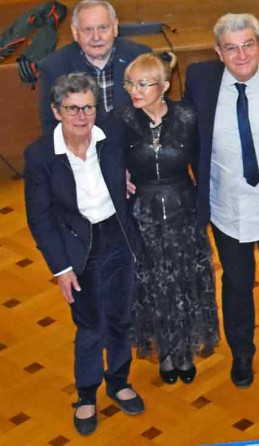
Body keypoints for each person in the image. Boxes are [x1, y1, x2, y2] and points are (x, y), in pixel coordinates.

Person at [184, 13, 259, 387]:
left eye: (248, 45)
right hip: (226, 205)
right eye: (231, 48)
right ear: (218, 51)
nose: (241, 55)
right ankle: (241, 352)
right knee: (237, 281)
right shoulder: (201, 82)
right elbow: (186, 137)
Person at [25, 73, 146, 435]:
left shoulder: (111, 137)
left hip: (118, 236)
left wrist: (127, 177)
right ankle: (87, 394)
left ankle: (119, 380)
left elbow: (138, 162)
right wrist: (61, 268)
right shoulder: (40, 155)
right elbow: (40, 217)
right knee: (91, 323)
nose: (81, 116)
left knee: (122, 315)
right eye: (72, 108)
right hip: (78, 246)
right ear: (56, 110)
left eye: (88, 107)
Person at [112, 54, 219, 385]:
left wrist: (206, 210)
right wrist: (121, 174)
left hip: (182, 211)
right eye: (130, 82)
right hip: (142, 215)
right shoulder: (121, 119)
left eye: (144, 83)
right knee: (154, 286)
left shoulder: (187, 116)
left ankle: (185, 350)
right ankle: (167, 352)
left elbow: (202, 163)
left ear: (165, 86)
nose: (135, 90)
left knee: (184, 281)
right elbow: (106, 159)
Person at [37, 0, 152, 129]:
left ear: (115, 27)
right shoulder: (55, 66)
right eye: (88, 30)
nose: (96, 37)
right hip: (82, 144)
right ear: (75, 32)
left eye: (103, 28)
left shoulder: (140, 57)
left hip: (131, 143)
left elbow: (153, 110)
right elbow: (51, 125)